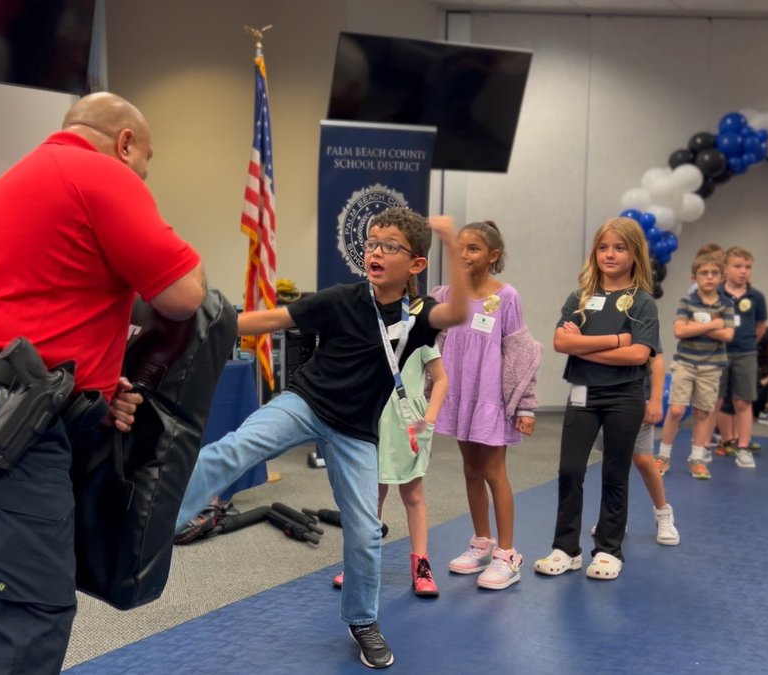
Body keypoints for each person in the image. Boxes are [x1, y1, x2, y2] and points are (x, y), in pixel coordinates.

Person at [0, 92, 206, 675]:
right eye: (147, 158)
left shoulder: (26, 178)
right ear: (124, 143)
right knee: (31, 610)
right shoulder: (101, 172)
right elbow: (184, 294)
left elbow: (39, 308)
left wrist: (90, 389)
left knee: (5, 585)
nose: (145, 172)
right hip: (0, 408)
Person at [175, 207, 472, 670]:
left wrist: (452, 243)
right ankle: (164, 520)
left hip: (356, 433)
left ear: (416, 264)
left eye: (390, 246)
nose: (376, 251)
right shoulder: (341, 299)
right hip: (306, 403)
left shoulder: (419, 316)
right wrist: (200, 325)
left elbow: (459, 311)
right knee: (234, 448)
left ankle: (362, 621)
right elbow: (272, 320)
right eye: (372, 242)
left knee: (366, 533)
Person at [534, 216, 659, 582]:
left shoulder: (642, 303)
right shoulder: (580, 297)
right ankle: (566, 549)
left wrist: (584, 347)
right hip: (583, 393)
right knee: (570, 470)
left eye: (619, 248)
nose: (610, 254)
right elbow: (560, 343)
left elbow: (639, 356)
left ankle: (608, 550)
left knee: (615, 473)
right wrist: (616, 340)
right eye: (604, 247)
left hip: (625, 396)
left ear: (634, 255)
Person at [429, 221, 540, 591]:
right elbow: (431, 348)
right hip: (459, 397)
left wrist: (525, 405)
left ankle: (507, 553)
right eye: (459, 248)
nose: (463, 255)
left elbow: (521, 352)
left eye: (474, 248)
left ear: (492, 256)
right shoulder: (444, 295)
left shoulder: (506, 297)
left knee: (495, 472)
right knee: (471, 469)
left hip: (490, 398)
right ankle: (481, 541)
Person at [332, 344, 449, 597]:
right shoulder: (368, 324)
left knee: (413, 494)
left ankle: (422, 566)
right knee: (370, 495)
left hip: (407, 422)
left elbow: (441, 379)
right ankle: (360, 565)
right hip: (371, 417)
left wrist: (429, 418)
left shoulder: (421, 327)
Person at [654, 254, 734, 480]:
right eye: (703, 273)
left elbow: (728, 335)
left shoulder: (726, 304)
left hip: (711, 367)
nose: (709, 277)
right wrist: (714, 323)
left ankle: (696, 458)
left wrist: (695, 325)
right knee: (677, 409)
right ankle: (663, 456)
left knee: (702, 412)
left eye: (714, 273)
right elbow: (679, 331)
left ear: (721, 277)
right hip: (685, 363)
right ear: (694, 277)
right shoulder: (687, 301)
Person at [592, 353, 679, 545]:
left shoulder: (642, 322)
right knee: (612, 460)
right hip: (603, 396)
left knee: (643, 460)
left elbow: (656, 359)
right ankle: (613, 519)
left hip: (637, 396)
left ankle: (663, 512)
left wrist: (656, 400)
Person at [713, 247, 767, 468]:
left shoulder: (756, 297)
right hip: (718, 352)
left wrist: (748, 343)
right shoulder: (715, 293)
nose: (743, 271)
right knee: (717, 400)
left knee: (742, 401)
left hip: (745, 352)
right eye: (738, 266)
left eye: (748, 267)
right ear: (726, 268)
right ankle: (727, 441)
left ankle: (743, 448)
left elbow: (760, 327)